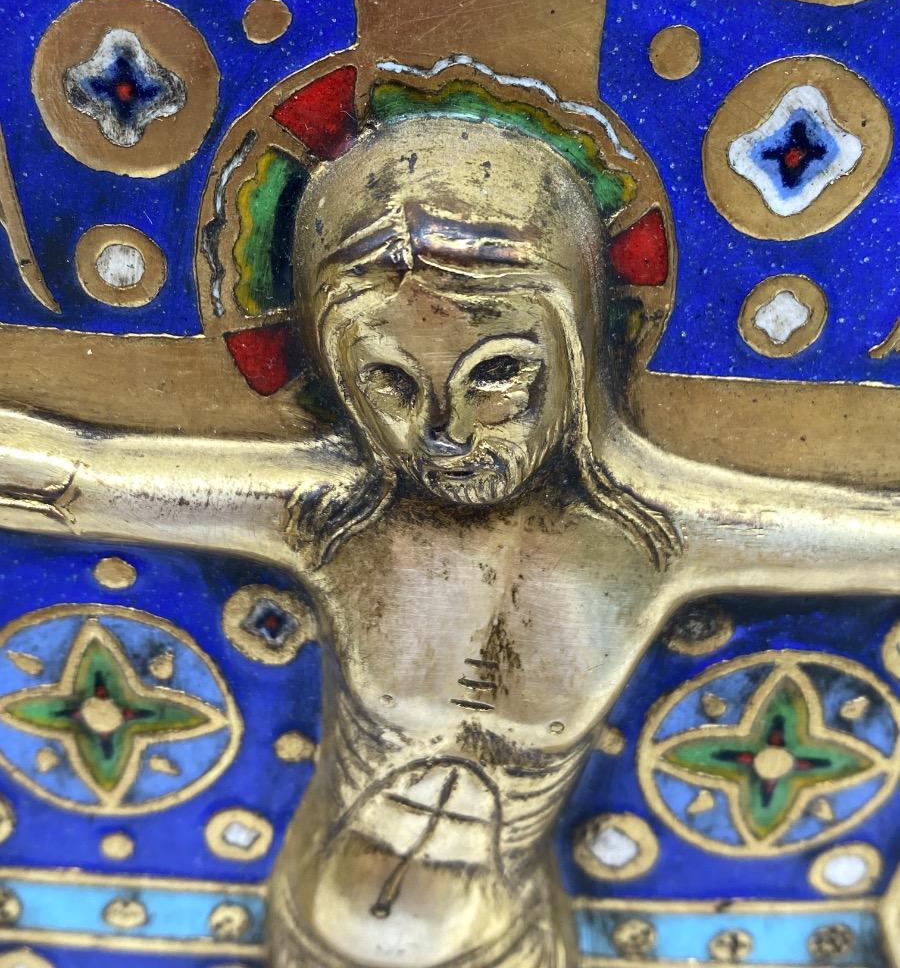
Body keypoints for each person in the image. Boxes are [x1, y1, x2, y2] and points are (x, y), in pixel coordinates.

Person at [0, 102, 895, 968]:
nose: (444, 433)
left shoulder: (656, 537)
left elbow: (873, 538)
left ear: (575, 354)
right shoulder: (334, 520)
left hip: (503, 942)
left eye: (496, 373)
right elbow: (84, 478)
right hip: (317, 938)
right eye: (390, 383)